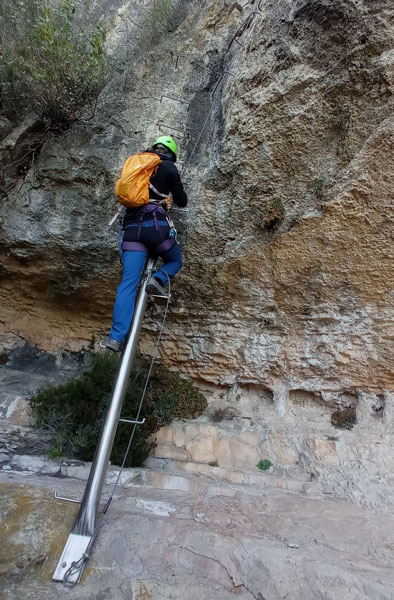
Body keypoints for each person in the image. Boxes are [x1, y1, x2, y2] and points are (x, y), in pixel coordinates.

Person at [105, 136, 188, 352]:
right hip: (156, 227)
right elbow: (182, 201)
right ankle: (157, 279)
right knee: (175, 260)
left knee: (128, 284)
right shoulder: (169, 167)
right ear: (171, 153)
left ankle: (115, 338)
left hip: (132, 229)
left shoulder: (137, 163)